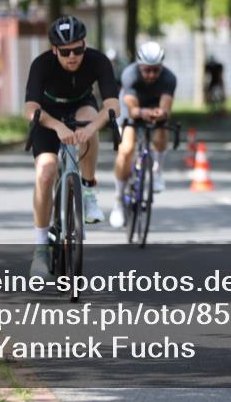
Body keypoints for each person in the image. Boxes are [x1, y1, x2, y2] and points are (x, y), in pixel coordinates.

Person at [24, 16, 121, 279]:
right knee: (46, 171)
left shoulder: (98, 61)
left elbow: (113, 105)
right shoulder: (42, 65)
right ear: (54, 50)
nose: (72, 57)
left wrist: (91, 128)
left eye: (78, 50)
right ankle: (41, 249)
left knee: (91, 119)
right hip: (48, 115)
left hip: (81, 105)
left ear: (85, 45)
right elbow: (30, 109)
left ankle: (87, 191)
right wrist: (57, 127)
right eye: (65, 52)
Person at [109, 41, 177, 228]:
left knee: (163, 128)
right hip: (132, 109)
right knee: (127, 149)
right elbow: (131, 106)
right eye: (147, 70)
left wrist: (161, 113)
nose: (151, 75)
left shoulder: (169, 78)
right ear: (139, 65)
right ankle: (118, 201)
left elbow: (166, 105)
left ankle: (158, 171)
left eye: (156, 70)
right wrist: (141, 113)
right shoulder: (129, 74)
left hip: (154, 106)